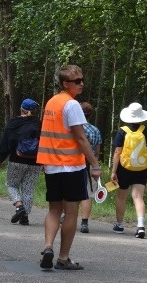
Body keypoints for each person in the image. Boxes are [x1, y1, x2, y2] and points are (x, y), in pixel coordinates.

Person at [35, 65, 101, 271]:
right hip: (71, 167)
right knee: (71, 212)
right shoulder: (72, 105)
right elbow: (80, 137)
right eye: (77, 81)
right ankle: (63, 258)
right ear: (65, 83)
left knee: (54, 210)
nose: (82, 83)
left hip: (52, 166)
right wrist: (95, 164)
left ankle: (47, 247)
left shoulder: (52, 102)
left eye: (82, 80)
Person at [0, 98, 41, 225]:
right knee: (28, 189)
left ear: (21, 109)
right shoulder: (40, 124)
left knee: (11, 185)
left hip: (16, 160)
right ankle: (25, 217)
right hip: (35, 162)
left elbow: (5, 142)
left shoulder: (14, 123)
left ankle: (19, 206)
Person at [111, 102, 147, 239]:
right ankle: (140, 225)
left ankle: (119, 224)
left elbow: (117, 152)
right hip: (141, 168)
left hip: (124, 168)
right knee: (138, 197)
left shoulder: (122, 131)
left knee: (121, 196)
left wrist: (113, 171)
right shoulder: (145, 130)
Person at [79, 102, 103, 233]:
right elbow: (97, 152)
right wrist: (96, 165)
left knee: (70, 192)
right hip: (89, 165)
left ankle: (66, 216)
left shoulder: (74, 128)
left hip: (74, 164)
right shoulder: (95, 130)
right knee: (87, 194)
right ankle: (84, 223)